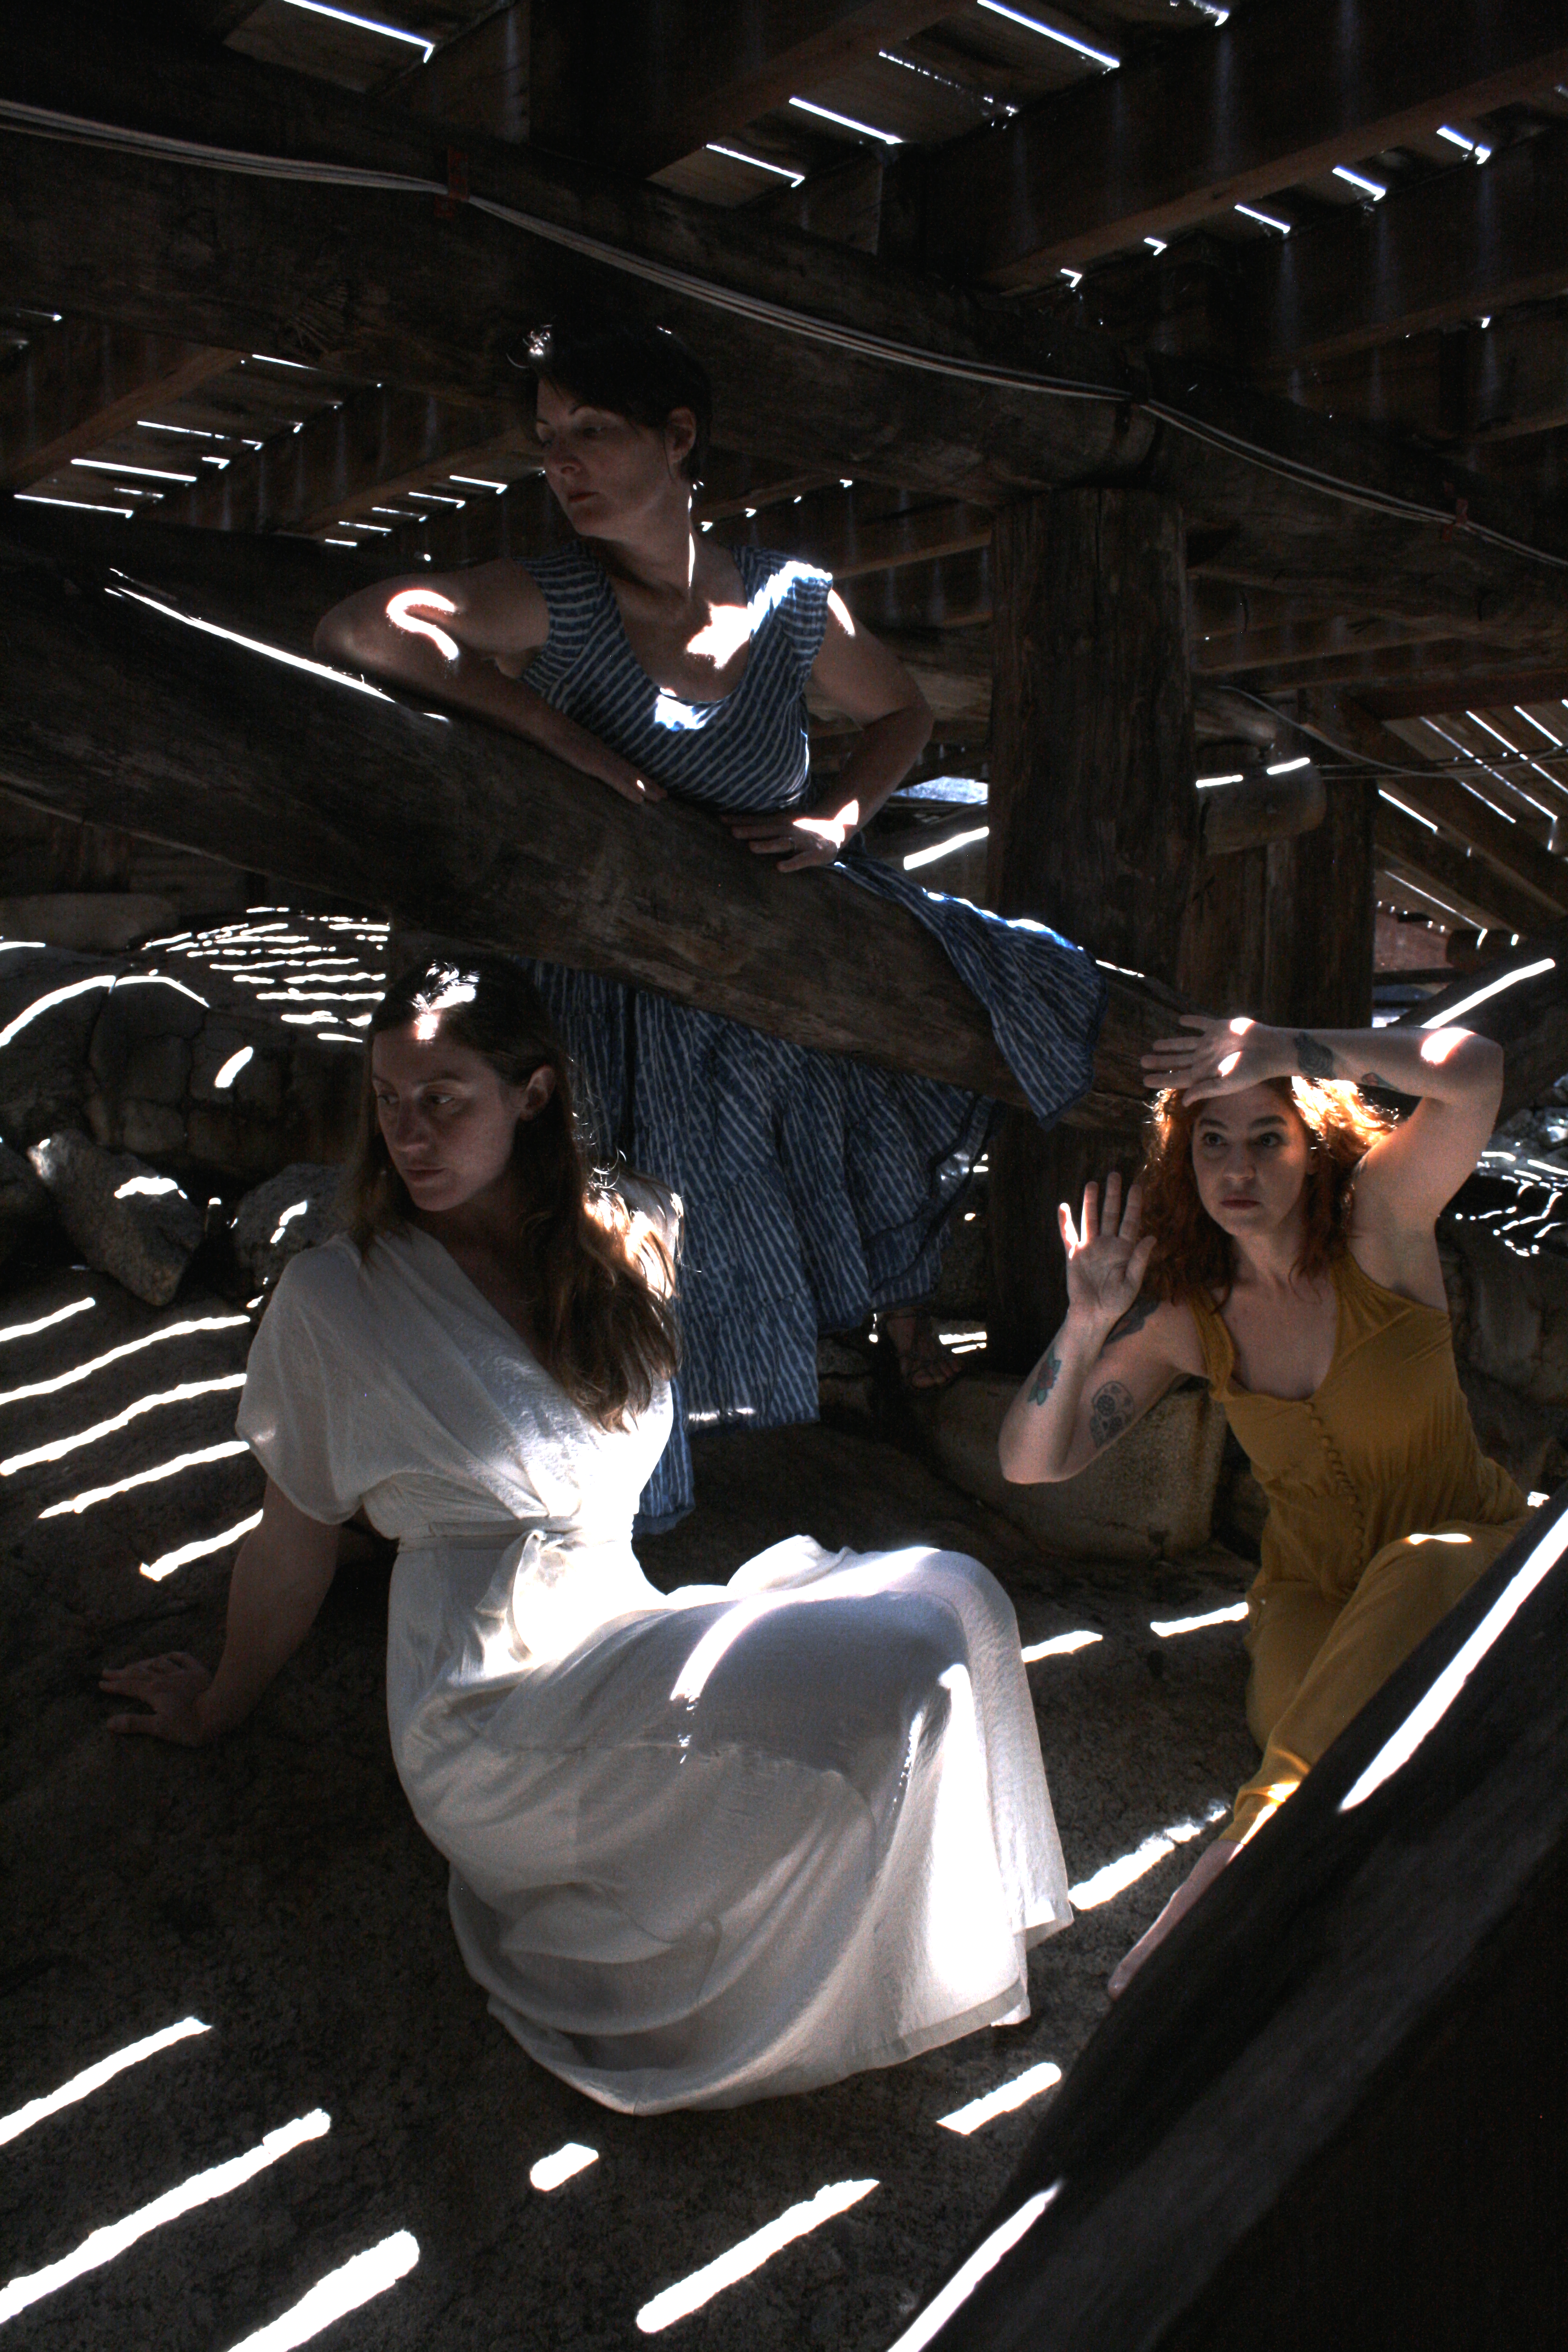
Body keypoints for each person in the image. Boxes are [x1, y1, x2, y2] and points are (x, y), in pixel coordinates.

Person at [100, 956, 1073, 2115]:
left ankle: (961, 1947)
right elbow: (293, 1537)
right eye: (388, 1100)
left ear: (534, 1094)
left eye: (444, 1098)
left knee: (963, 1595)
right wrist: (220, 1700)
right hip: (492, 1701)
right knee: (905, 1674)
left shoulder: (626, 1240)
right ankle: (888, 1982)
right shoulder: (337, 1297)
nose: (408, 1133)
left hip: (621, 1622)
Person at [312, 318, 1106, 1527]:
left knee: (729, 1215)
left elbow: (898, 714)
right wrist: (564, 739)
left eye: (591, 432)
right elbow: (362, 628)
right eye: (546, 439)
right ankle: (581, 1509)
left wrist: (840, 818)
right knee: (593, 1230)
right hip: (591, 981)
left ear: (679, 439)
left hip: (748, 982)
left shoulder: (791, 606)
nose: (561, 463)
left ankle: (703, 1463)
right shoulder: (559, 596)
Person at [996, 1008, 1528, 1993]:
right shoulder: (1192, 1321)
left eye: (1266, 1137)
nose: (1236, 1168)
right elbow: (1034, 1461)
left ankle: (1223, 1875)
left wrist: (1287, 1046)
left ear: (1313, 1144)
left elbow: (1479, 1072)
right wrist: (1084, 1324)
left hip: (1469, 1554)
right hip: (1312, 1593)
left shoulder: (1382, 1224)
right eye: (1211, 1143)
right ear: (1184, 1165)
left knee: (1411, 1581)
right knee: (1309, 1714)